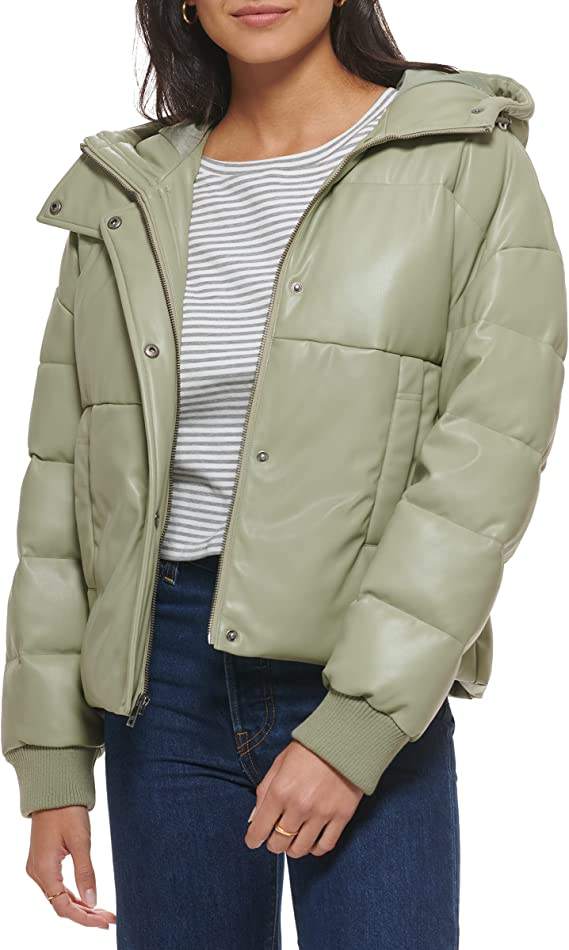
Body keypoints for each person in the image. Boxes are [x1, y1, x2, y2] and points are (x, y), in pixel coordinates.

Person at [2, 1, 566, 947]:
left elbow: (485, 461)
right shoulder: (124, 192)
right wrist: (51, 754)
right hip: (158, 678)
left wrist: (360, 721)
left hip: (360, 662)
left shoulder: (466, 161)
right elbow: (64, 485)